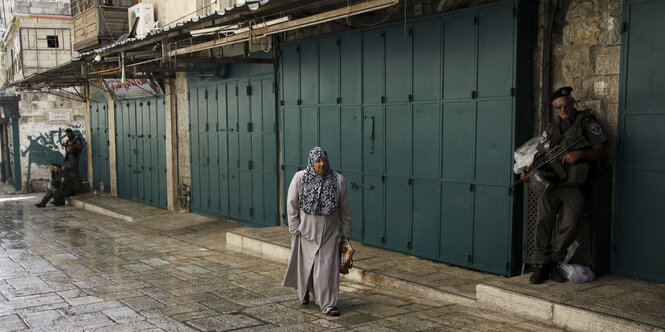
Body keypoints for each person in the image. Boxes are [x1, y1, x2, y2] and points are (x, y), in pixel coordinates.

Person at [521, 87, 607, 284]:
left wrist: (581, 154)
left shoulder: (587, 123)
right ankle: (540, 265)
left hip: (574, 185)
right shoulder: (551, 128)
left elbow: (601, 151)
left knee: (569, 224)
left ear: (573, 102)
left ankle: (554, 262)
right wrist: (529, 169)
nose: (563, 109)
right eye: (558, 107)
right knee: (543, 222)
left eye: (566, 104)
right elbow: (540, 154)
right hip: (552, 184)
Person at [283, 146, 352, 316]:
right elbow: (292, 203)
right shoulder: (300, 178)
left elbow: (345, 209)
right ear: (311, 162)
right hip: (305, 232)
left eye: (325, 160)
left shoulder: (338, 180)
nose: (322, 164)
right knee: (307, 266)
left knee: (327, 269)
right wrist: (294, 227)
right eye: (318, 161)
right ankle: (304, 292)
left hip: (329, 234)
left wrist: (346, 234)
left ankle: (328, 304)